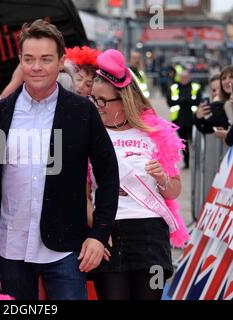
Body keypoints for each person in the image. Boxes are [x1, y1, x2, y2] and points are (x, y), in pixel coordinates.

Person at [0, 19, 119, 300]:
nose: (36, 67)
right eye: (29, 59)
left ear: (61, 61)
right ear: (20, 61)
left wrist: (99, 234)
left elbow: (109, 175)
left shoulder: (81, 112)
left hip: (66, 249)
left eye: (45, 59)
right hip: (9, 247)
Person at [88, 49, 188, 300]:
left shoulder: (154, 133)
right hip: (109, 231)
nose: (97, 106)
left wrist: (162, 178)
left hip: (150, 235)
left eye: (103, 101)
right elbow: (82, 193)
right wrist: (96, 230)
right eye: (94, 99)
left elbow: (174, 189)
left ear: (124, 100)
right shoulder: (90, 134)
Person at [167, 70, 202, 169]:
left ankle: (197, 163)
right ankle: (186, 163)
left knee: (195, 143)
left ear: (189, 77)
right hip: (179, 121)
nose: (184, 79)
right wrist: (181, 100)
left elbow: (198, 101)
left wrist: (187, 100)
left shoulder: (195, 87)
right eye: (182, 77)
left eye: (186, 77)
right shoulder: (174, 87)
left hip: (193, 120)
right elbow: (169, 101)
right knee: (183, 144)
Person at [212, 65, 233, 142]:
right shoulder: (226, 104)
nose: (227, 81)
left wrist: (228, 135)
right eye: (224, 78)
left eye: (231, 77)